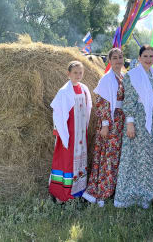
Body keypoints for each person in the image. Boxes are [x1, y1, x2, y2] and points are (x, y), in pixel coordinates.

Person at [114, 45, 153, 209]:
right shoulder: (132, 76)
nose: (149, 59)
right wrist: (130, 124)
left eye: (151, 56)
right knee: (134, 157)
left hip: (152, 120)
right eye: (145, 56)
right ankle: (130, 194)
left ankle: (147, 193)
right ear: (139, 58)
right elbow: (128, 102)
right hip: (138, 121)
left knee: (148, 158)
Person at [83, 48, 125, 207]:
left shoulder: (122, 77)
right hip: (110, 122)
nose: (118, 60)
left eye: (120, 57)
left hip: (120, 121)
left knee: (116, 158)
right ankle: (100, 192)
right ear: (110, 60)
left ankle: (112, 189)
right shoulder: (106, 79)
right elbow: (101, 104)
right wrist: (105, 124)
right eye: (115, 58)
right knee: (108, 157)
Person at [49, 61, 92, 202]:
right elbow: (58, 113)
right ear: (68, 74)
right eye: (75, 73)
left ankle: (78, 190)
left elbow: (87, 109)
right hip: (69, 133)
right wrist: (63, 134)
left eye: (80, 72)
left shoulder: (84, 89)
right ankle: (64, 192)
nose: (78, 75)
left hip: (80, 132)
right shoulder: (64, 92)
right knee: (67, 161)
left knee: (79, 160)